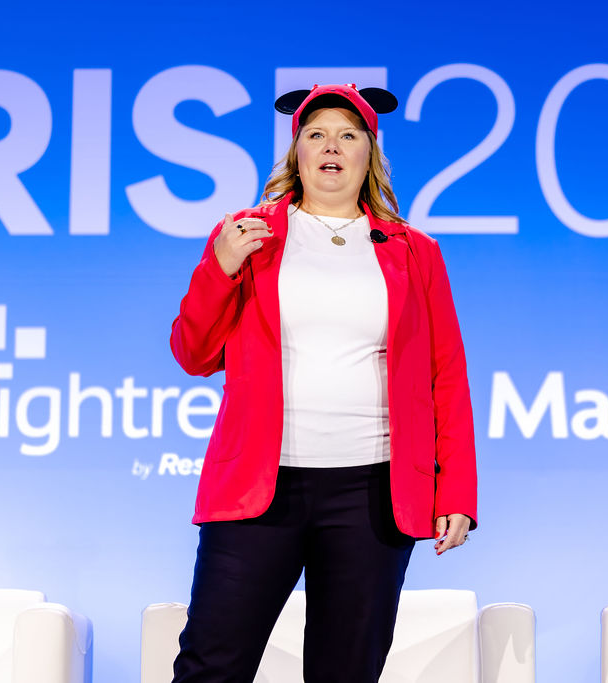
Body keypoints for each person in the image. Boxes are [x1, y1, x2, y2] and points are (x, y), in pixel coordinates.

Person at [168, 83, 477, 683]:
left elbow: (446, 376)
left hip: (373, 493)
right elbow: (193, 353)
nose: (331, 146)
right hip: (258, 489)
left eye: (347, 135)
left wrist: (457, 492)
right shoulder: (247, 236)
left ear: (369, 155)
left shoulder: (415, 252)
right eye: (316, 134)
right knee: (211, 666)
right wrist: (221, 266)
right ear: (297, 153)